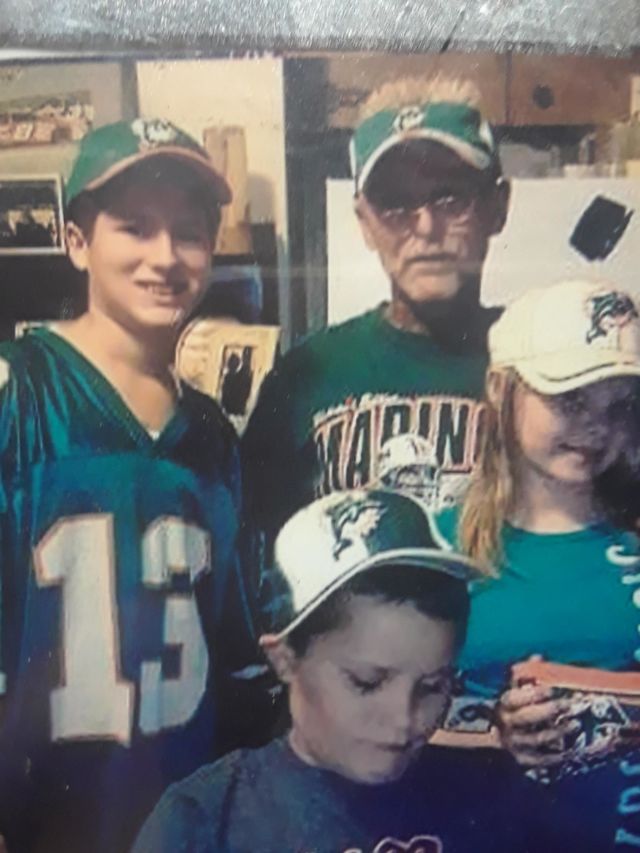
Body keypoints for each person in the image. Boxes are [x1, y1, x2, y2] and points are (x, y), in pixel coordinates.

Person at [0, 118, 264, 853]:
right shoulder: (21, 394)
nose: (165, 256)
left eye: (189, 232)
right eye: (135, 227)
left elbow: (233, 654)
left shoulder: (211, 434)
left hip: (182, 820)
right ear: (77, 240)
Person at [134, 488, 557, 853]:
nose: (403, 719)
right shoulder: (204, 821)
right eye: (366, 683)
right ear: (284, 658)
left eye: (433, 686)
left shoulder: (487, 801)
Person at [242, 75, 511, 542]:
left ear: (497, 207)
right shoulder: (307, 374)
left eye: (450, 197)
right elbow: (260, 553)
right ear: (365, 222)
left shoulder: (542, 365)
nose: (425, 226)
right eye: (395, 204)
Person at [437, 278, 640, 850]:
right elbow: (373, 721)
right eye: (570, 399)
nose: (596, 426)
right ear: (500, 389)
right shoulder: (433, 545)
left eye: (620, 404)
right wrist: (492, 730)